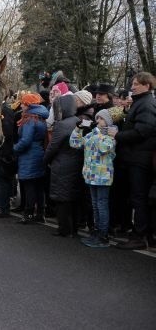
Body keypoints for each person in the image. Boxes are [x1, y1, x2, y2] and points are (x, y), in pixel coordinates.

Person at [113, 72, 156, 250]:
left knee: (139, 198)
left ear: (147, 86)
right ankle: (142, 234)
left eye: (137, 84)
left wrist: (118, 135)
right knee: (137, 198)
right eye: (133, 84)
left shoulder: (146, 104)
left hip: (140, 158)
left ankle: (140, 236)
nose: (132, 87)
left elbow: (142, 131)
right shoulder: (142, 102)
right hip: (136, 157)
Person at [71, 108, 118, 248]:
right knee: (95, 206)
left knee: (101, 206)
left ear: (108, 121)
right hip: (91, 175)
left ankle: (103, 236)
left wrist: (98, 132)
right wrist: (78, 129)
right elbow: (75, 143)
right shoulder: (93, 134)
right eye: (97, 118)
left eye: (101, 118)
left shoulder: (111, 135)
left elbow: (104, 148)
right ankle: (97, 232)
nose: (97, 121)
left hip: (103, 176)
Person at [45, 94, 83, 237]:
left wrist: (45, 160)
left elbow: (52, 147)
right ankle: (74, 228)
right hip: (76, 163)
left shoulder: (61, 124)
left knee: (62, 198)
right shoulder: (78, 121)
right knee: (73, 197)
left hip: (62, 164)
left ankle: (64, 229)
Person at [13, 93, 49, 223]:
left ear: (28, 105)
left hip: (29, 155)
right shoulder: (40, 118)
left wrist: (15, 148)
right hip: (39, 153)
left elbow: (26, 140)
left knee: (29, 186)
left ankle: (28, 214)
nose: (21, 106)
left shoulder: (29, 120)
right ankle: (40, 214)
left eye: (23, 103)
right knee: (39, 186)